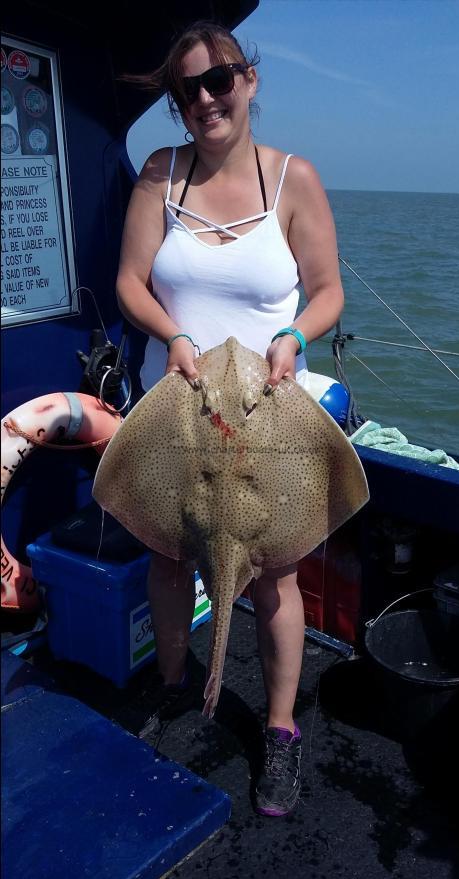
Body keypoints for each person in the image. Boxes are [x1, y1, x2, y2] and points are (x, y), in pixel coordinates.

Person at [116, 21, 345, 817]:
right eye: (189, 90)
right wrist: (174, 335)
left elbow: (327, 293)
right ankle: (179, 687)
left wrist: (293, 336)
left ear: (250, 80)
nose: (207, 99)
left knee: (275, 570)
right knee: (169, 551)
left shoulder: (294, 179)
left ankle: (279, 730)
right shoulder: (159, 176)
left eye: (221, 79)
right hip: (176, 406)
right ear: (177, 105)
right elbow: (130, 284)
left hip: (269, 412)